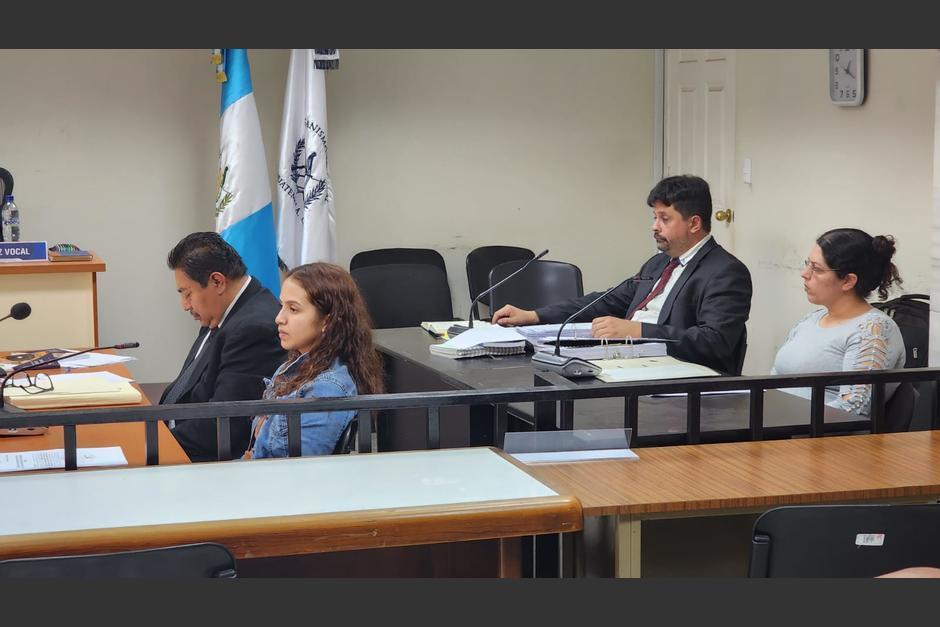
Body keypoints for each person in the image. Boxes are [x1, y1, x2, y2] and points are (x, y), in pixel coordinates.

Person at [492, 175, 752, 375]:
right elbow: (606, 300)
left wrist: (639, 330)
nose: (654, 226)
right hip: (631, 364)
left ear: (694, 223)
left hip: (680, 378)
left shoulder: (726, 272)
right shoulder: (658, 263)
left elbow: (715, 342)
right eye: (654, 217)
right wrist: (534, 316)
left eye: (664, 218)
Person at [162, 232, 286, 462]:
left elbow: (223, 427)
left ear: (217, 281)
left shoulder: (253, 329)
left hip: (207, 464)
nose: (185, 305)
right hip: (179, 435)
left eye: (187, 294)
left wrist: (154, 444)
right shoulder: (223, 311)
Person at [244, 263, 384, 459]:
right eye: (281, 306)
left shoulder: (327, 389)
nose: (279, 318)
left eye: (293, 309)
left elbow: (297, 474)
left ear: (327, 321)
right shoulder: (291, 367)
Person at [771, 228, 905, 416]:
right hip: (774, 426)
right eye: (807, 264)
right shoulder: (812, 319)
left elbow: (854, 408)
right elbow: (772, 383)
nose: (804, 273)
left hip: (820, 438)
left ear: (848, 281)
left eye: (816, 269)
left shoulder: (874, 329)